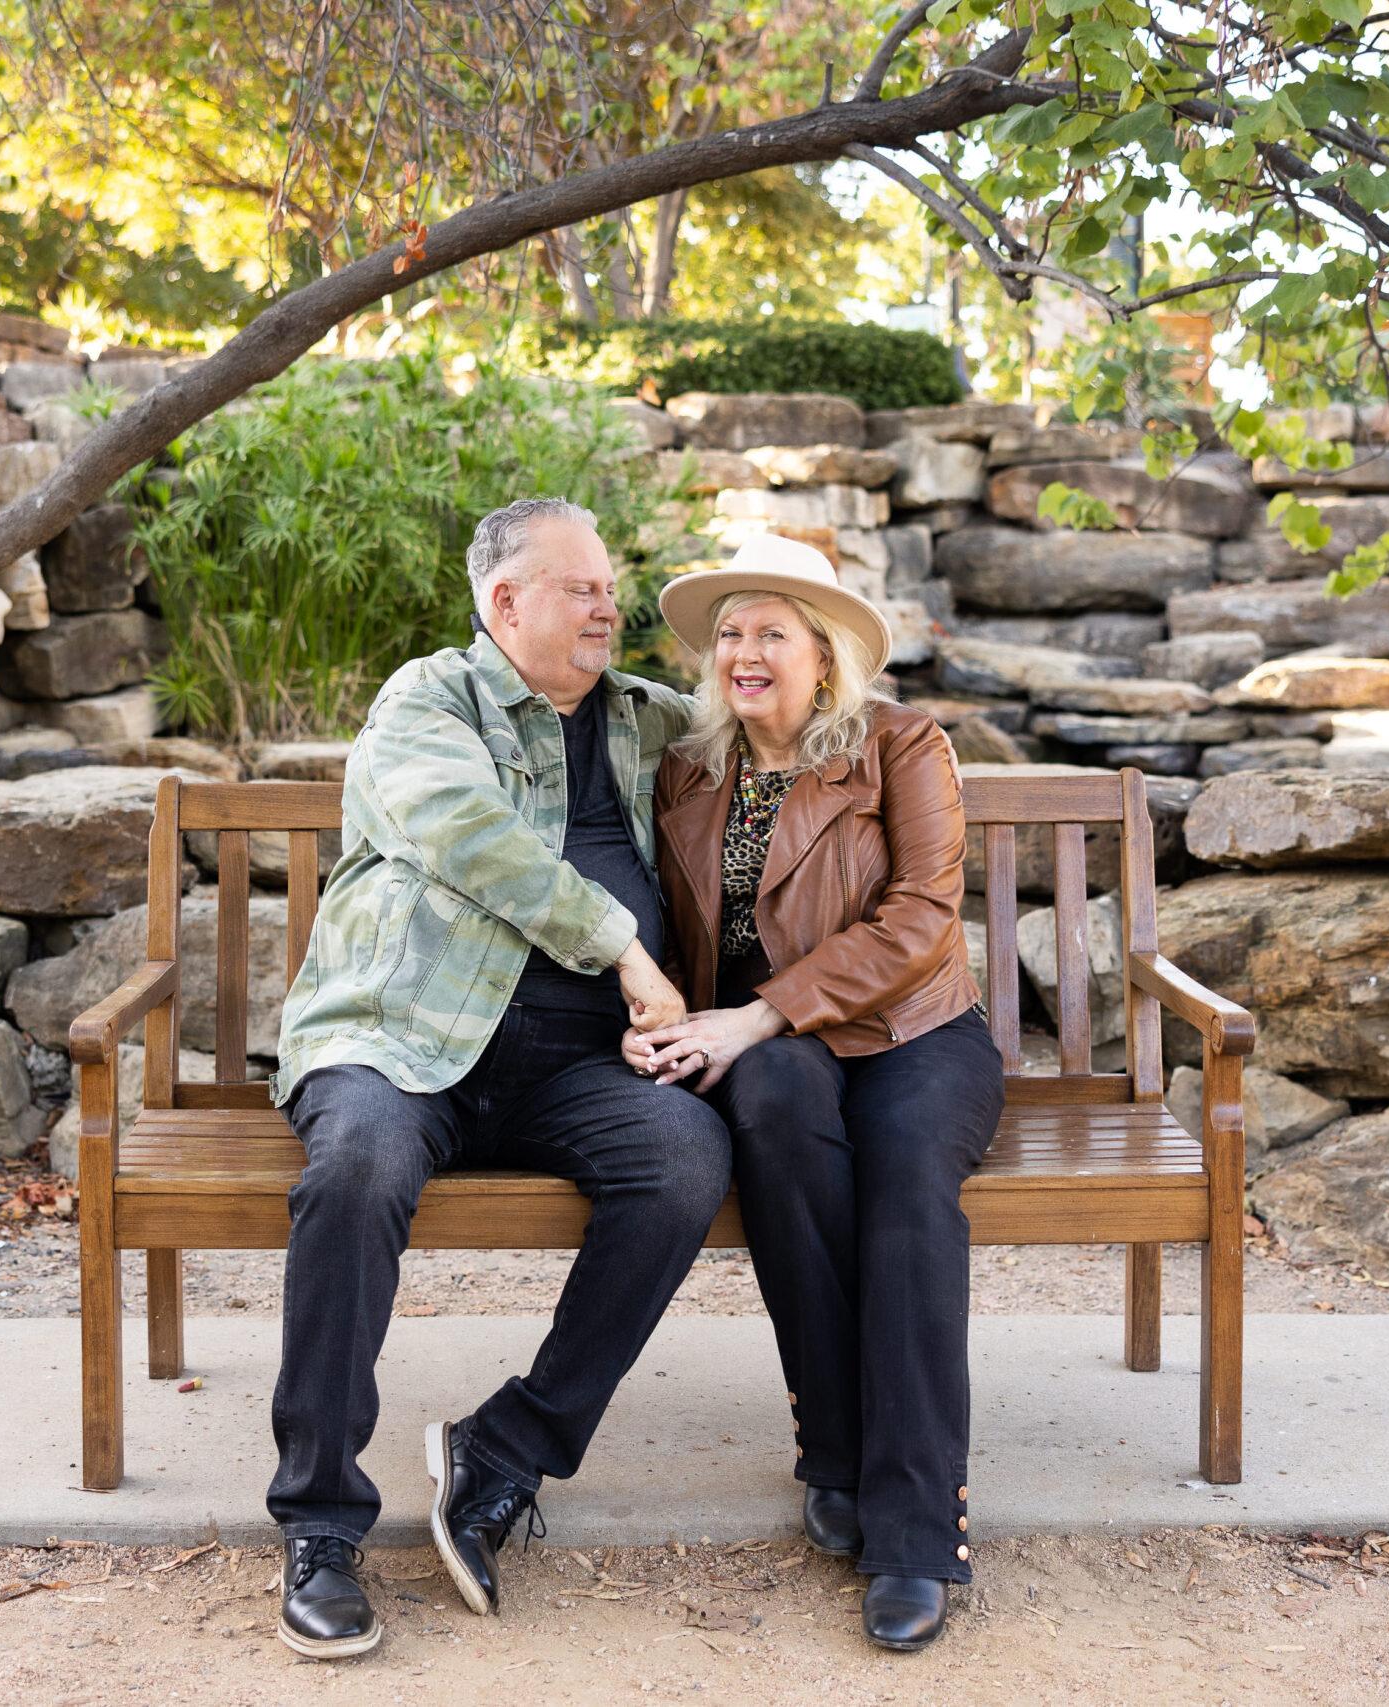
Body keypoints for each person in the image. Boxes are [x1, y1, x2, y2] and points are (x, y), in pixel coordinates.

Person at [265, 498, 731, 1659]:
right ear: (504, 601)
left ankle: (508, 1449)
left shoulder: (644, 718)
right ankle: (321, 1521)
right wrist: (628, 949)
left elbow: (784, 731)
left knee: (682, 1160)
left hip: (572, 1065)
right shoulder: (427, 700)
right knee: (359, 1165)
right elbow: (468, 833)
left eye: (607, 585)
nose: (606, 605)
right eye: (578, 587)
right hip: (403, 1040)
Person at [625, 533, 1004, 1653]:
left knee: (904, 1201)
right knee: (775, 1124)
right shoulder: (690, 771)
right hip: (774, 1051)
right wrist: (654, 1023)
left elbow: (921, 919)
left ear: (824, 659)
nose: (744, 652)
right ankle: (833, 1443)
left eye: (770, 633)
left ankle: (915, 1531)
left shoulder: (899, 745)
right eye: (730, 633)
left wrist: (754, 1016)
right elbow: (656, 924)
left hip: (910, 1033)